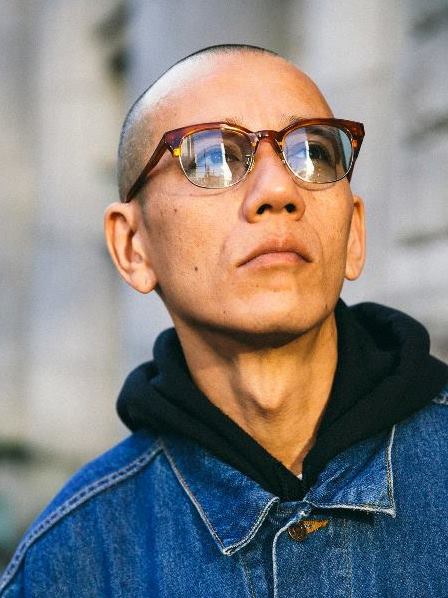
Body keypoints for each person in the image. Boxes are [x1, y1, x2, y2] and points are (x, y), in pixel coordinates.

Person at [1, 44, 447, 597]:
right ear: (133, 246)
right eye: (212, 157)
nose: (279, 191)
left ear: (354, 234)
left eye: (313, 153)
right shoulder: (72, 565)